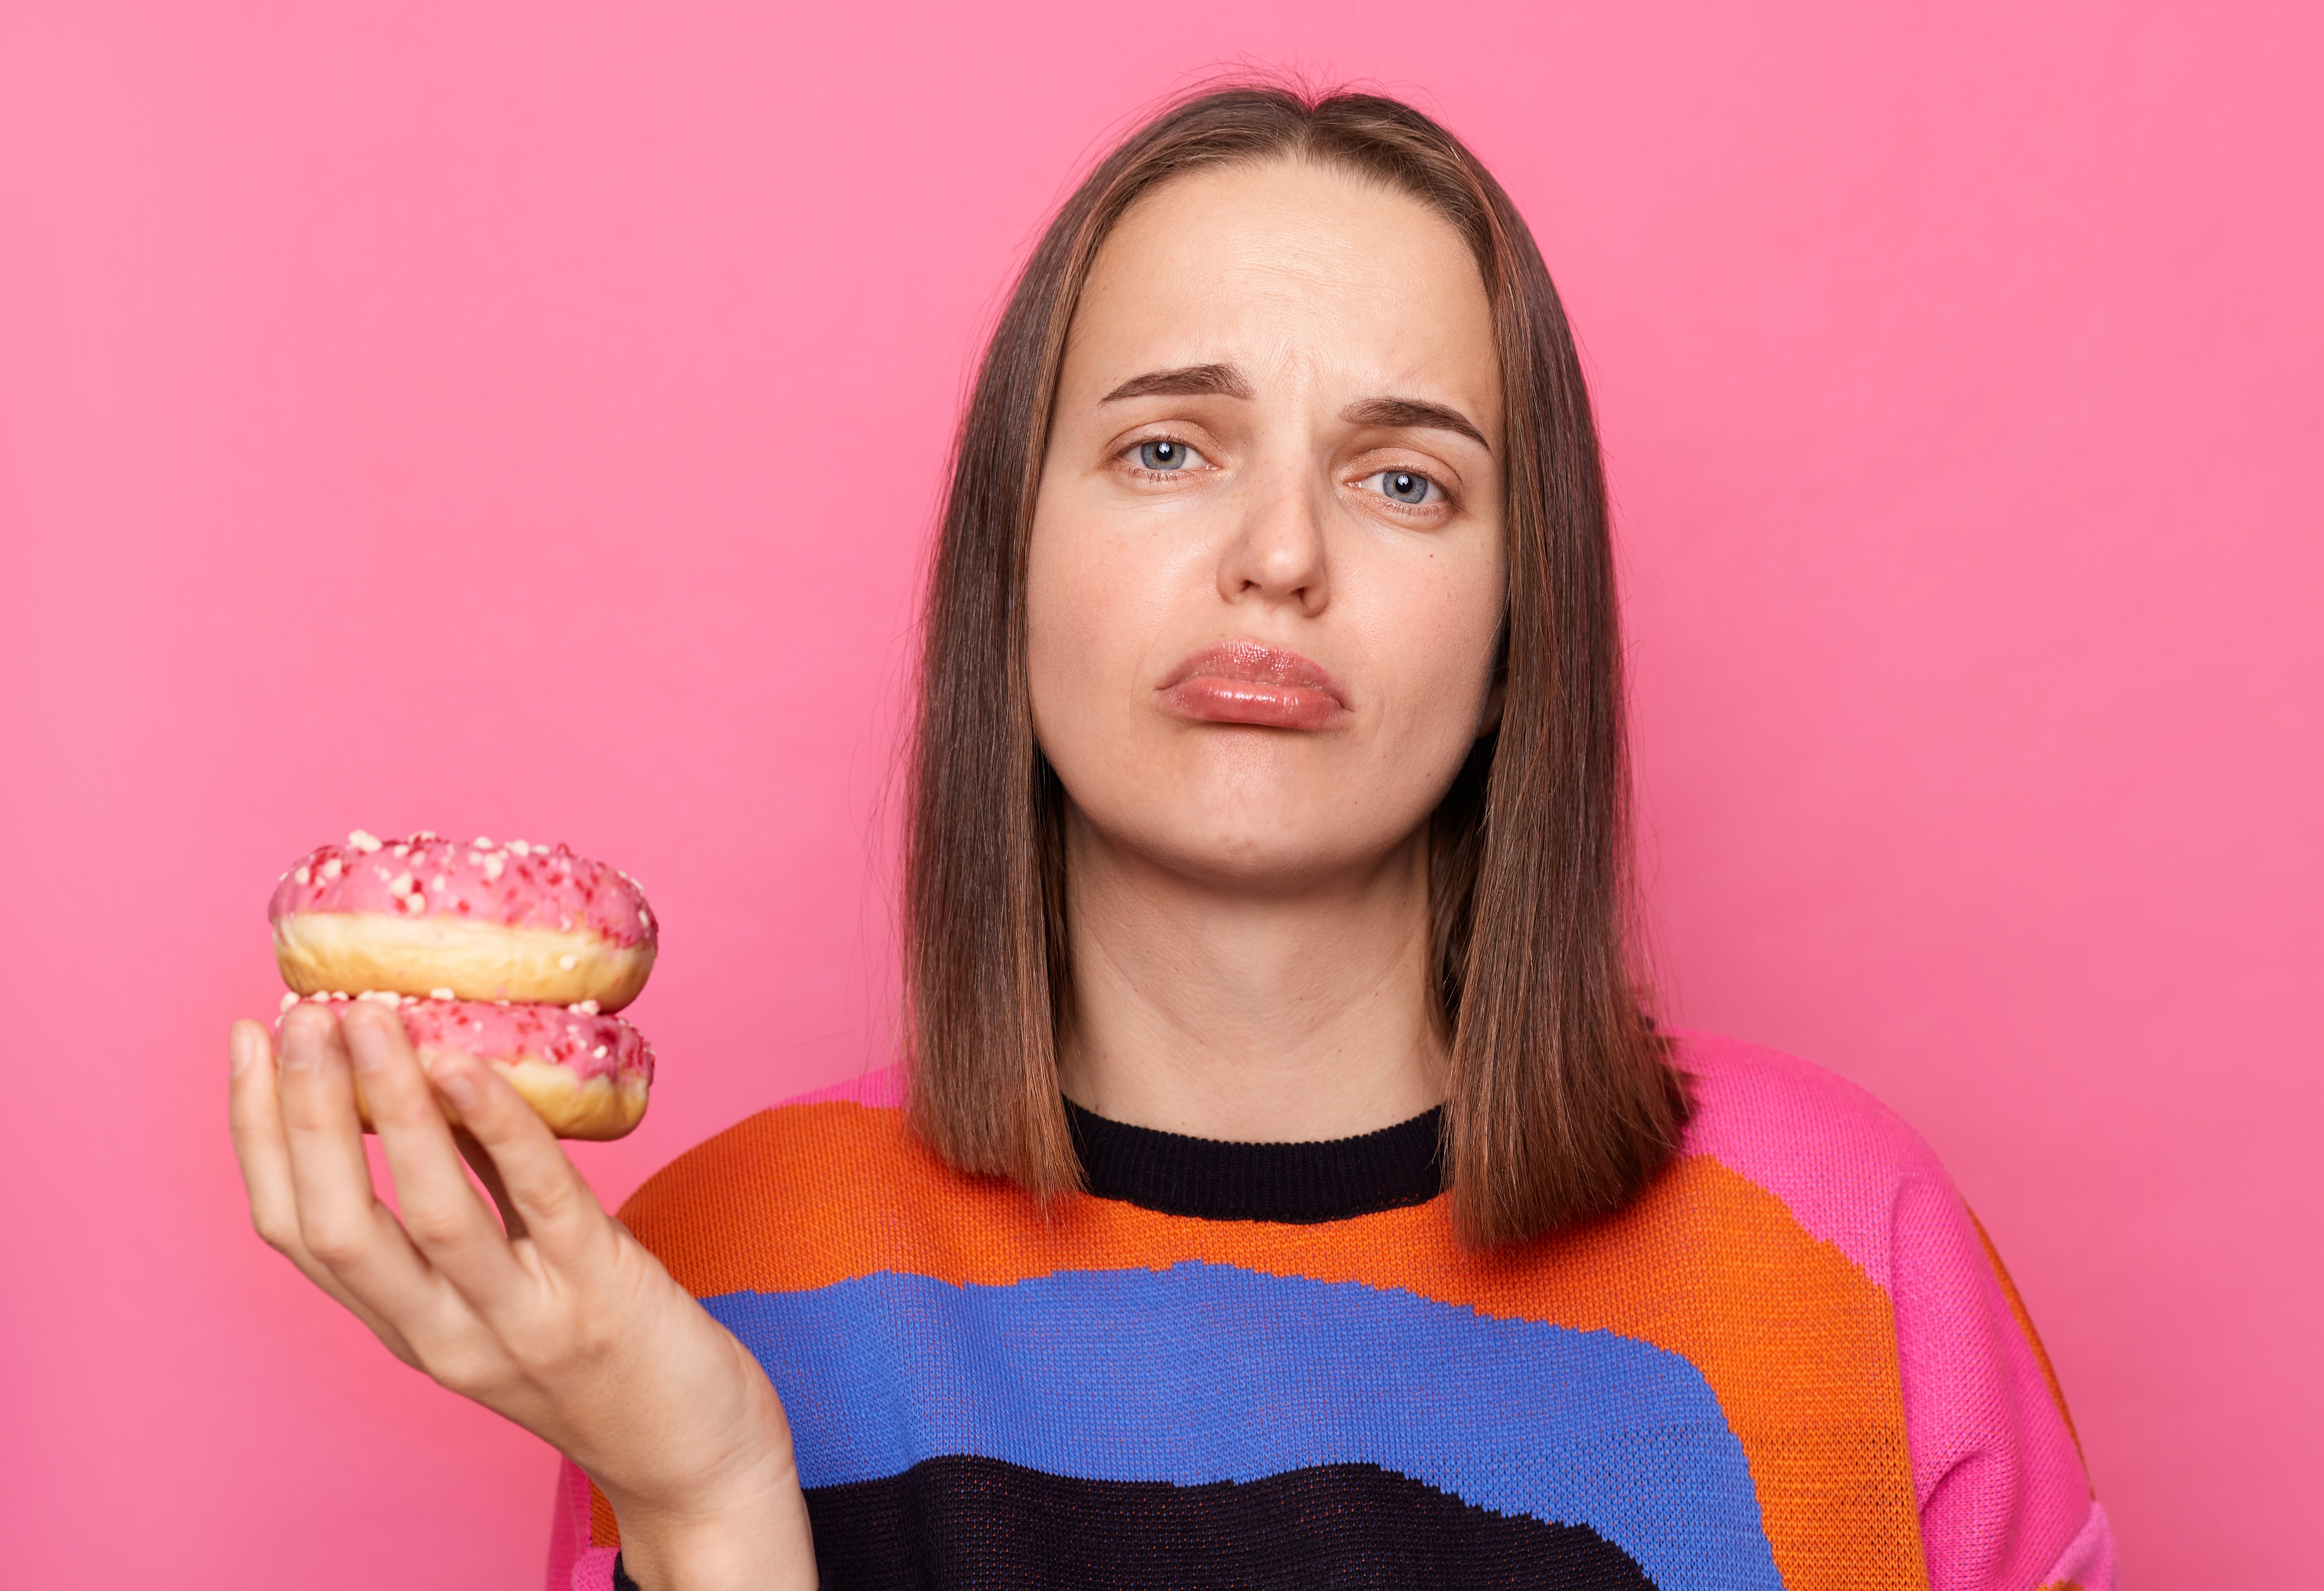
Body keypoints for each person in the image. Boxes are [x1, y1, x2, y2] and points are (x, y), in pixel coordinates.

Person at [228, 85, 2113, 1590]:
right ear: (1011, 561)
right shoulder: (716, 1276)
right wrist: (710, 1502)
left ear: (1523, 615)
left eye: (1404, 480)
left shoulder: (1844, 1255)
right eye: (1165, 449)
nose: (1280, 555)